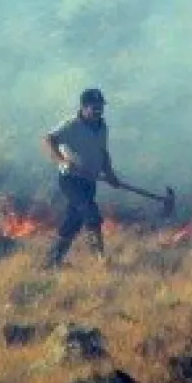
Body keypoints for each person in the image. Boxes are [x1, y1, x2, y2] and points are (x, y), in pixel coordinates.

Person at [40, 87, 120, 267]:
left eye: (100, 106)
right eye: (94, 107)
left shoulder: (102, 128)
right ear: (84, 107)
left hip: (89, 181)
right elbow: (48, 139)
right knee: (90, 213)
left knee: (73, 221)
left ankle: (52, 261)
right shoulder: (71, 124)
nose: (98, 110)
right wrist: (61, 160)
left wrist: (110, 174)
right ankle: (100, 260)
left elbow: (103, 153)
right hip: (71, 180)